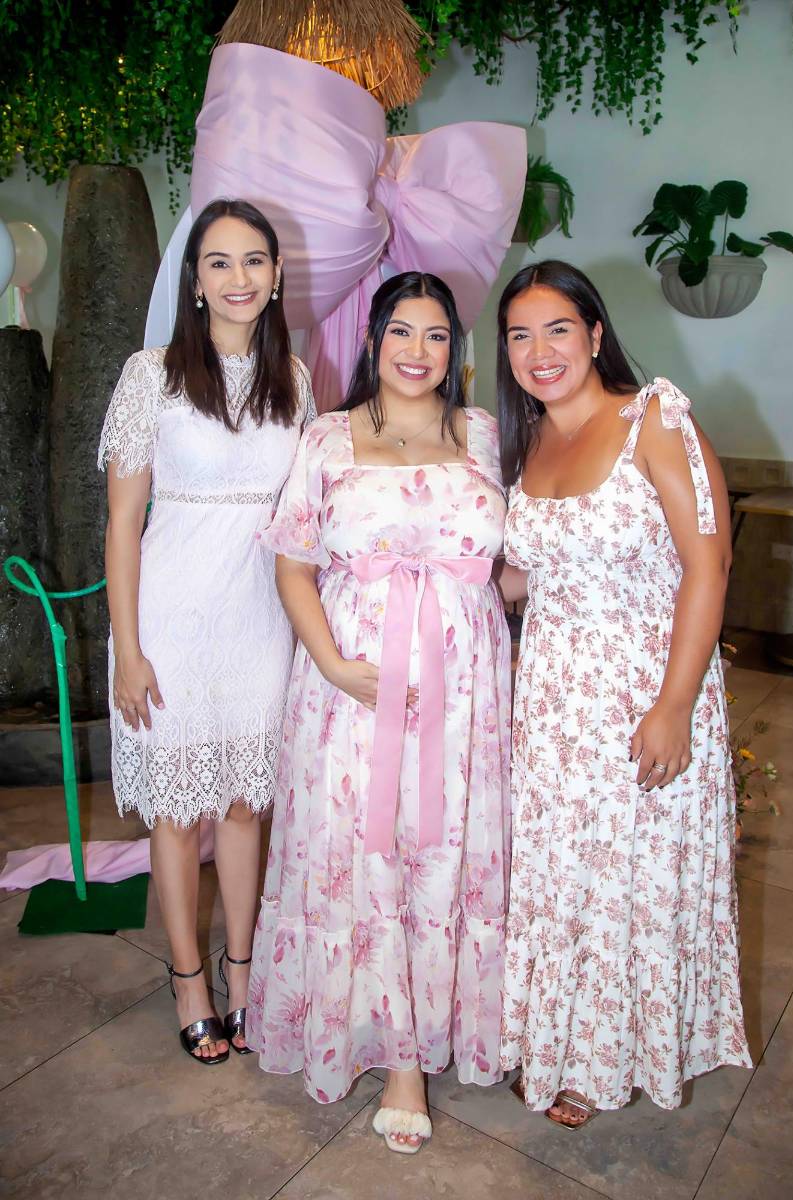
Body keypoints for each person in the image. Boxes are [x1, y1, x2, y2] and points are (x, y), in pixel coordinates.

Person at [246, 271, 511, 1153]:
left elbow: (515, 562)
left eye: (437, 336)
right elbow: (292, 562)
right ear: (373, 339)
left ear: (455, 350)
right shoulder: (328, 435)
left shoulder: (481, 434)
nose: (417, 352)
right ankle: (396, 1057)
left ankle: (446, 1033)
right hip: (352, 685)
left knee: (444, 852)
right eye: (402, 331)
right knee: (365, 852)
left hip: (462, 690)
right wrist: (331, 664)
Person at [497, 261, 751, 1128]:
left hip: (646, 689)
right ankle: (555, 1034)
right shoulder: (525, 441)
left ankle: (606, 1059)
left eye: (558, 329)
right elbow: (519, 576)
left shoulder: (654, 420)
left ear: (596, 335)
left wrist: (675, 704)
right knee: (562, 875)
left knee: (626, 882)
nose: (540, 352)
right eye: (520, 335)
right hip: (553, 704)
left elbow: (708, 563)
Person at [99, 198, 315, 1066]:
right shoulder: (148, 375)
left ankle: (245, 971)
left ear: (276, 274)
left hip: (260, 615)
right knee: (176, 806)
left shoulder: (295, 380)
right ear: (194, 280)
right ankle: (188, 979)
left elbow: (306, 515)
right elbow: (121, 524)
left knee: (244, 803)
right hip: (171, 616)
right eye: (219, 263)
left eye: (253, 261)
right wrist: (128, 648)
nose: (238, 279)